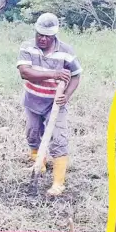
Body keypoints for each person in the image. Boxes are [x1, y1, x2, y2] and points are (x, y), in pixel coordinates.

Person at [17, 12, 82, 197]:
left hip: (56, 102)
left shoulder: (66, 51)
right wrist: (54, 74)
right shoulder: (27, 47)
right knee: (32, 133)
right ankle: (40, 163)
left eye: (46, 36)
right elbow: (25, 72)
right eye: (39, 35)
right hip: (32, 100)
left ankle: (58, 184)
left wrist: (67, 95)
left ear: (54, 35)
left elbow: (76, 75)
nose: (42, 39)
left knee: (59, 139)